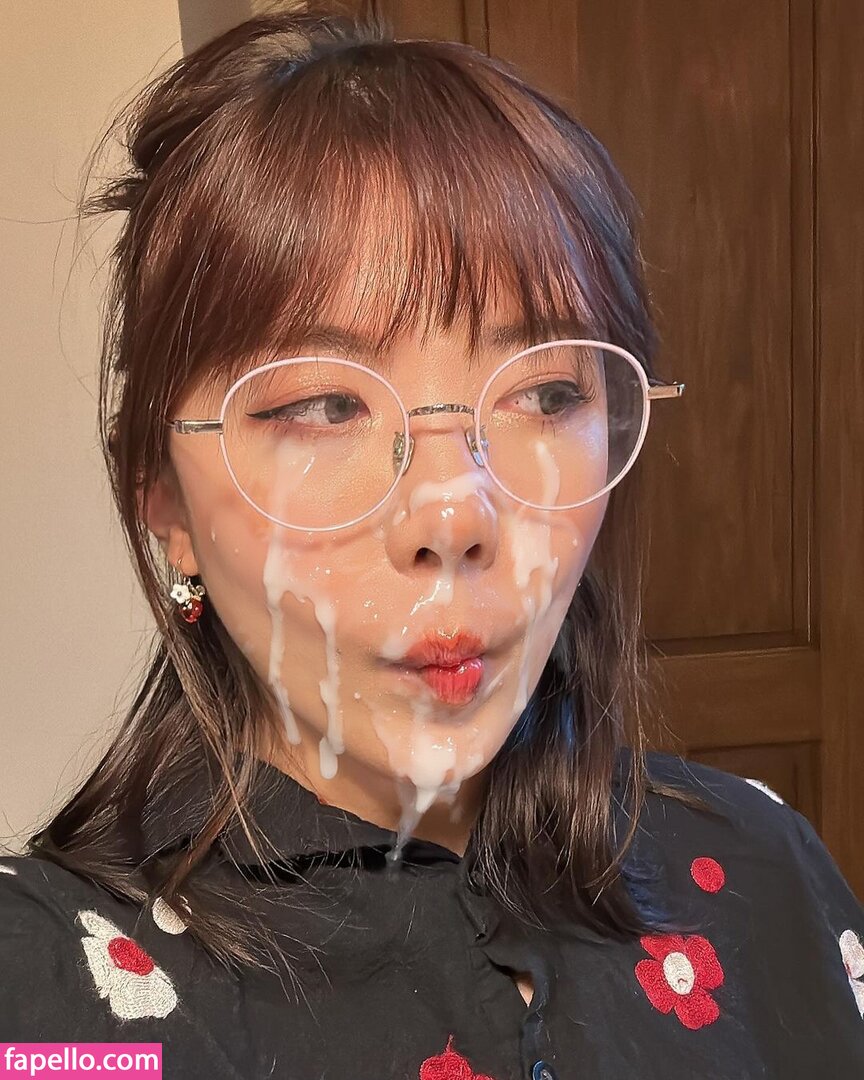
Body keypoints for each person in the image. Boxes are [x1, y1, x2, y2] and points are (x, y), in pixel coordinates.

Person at [1, 7, 862, 1078]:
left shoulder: (759, 868)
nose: (455, 519)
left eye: (545, 392)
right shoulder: (44, 999)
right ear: (163, 501)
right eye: (323, 407)